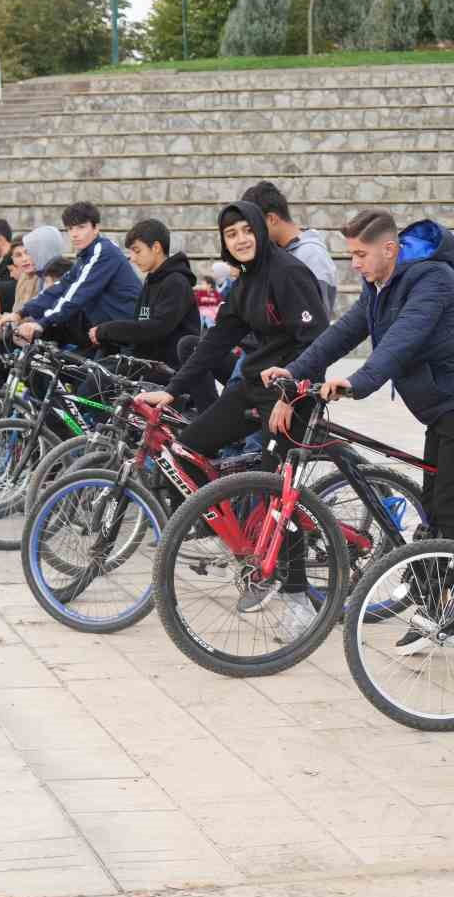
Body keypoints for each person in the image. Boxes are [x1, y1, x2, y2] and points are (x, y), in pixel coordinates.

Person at [261, 209, 454, 650]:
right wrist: (293, 371)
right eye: (351, 254)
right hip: (441, 410)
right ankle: (444, 602)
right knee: (434, 511)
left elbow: (404, 338)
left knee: (445, 512)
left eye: (360, 254)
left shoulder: (432, 280)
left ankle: (450, 608)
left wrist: (358, 381)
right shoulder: (379, 288)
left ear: (388, 250)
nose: (354, 264)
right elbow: (339, 336)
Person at [141, 201, 330, 637]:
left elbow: (318, 341)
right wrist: (172, 390)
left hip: (291, 392)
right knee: (186, 449)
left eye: (247, 230)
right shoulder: (244, 281)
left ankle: (297, 596)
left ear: (261, 232)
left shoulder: (288, 272)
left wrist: (293, 391)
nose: (240, 239)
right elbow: (213, 343)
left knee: (278, 494)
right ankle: (237, 535)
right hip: (252, 386)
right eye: (231, 234)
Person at [15, 202, 141, 348]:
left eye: (81, 227)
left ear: (96, 228)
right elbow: (61, 286)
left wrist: (42, 323)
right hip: (107, 336)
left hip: (128, 337)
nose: (74, 234)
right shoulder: (84, 257)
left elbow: (77, 294)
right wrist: (20, 313)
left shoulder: (103, 251)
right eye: (70, 228)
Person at [90, 218, 201, 371]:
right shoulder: (151, 280)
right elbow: (139, 326)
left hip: (170, 370)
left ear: (156, 247)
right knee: (91, 371)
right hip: (146, 362)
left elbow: (155, 329)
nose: (132, 258)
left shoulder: (176, 282)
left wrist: (107, 330)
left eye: (137, 251)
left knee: (95, 384)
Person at [241, 180, 337, 315]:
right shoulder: (274, 253)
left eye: (252, 226)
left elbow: (317, 319)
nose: (251, 234)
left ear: (271, 219)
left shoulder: (311, 255)